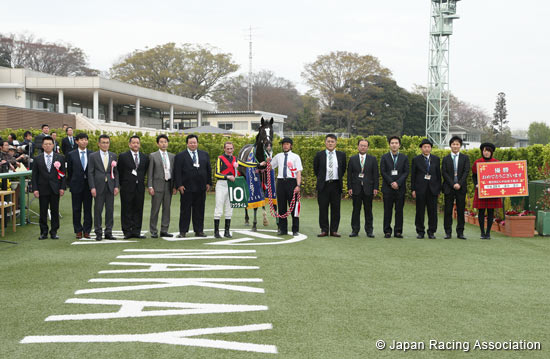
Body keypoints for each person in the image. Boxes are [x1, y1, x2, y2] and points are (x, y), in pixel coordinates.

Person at [174, 134, 212, 238]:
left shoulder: (204, 154)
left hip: (201, 187)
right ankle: (183, 231)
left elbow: (209, 170)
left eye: (194, 142)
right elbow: (177, 172)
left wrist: (209, 183)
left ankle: (199, 230)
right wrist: (179, 185)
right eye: (191, 143)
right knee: (185, 210)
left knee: (199, 210)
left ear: (197, 143)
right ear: (187, 144)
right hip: (186, 188)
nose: (193, 144)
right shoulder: (180, 156)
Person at [31, 136, 66, 239]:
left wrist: (62, 187)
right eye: (45, 144)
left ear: (53, 145)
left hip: (55, 188)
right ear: (42, 145)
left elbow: (63, 174)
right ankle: (43, 232)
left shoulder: (60, 158)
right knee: (43, 211)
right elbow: (34, 176)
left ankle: (54, 231)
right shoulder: (37, 158)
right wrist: (35, 189)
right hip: (42, 188)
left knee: (55, 210)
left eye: (49, 144)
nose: (47, 146)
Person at [313, 134, 347, 237]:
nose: (330, 143)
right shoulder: (319, 155)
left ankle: (334, 230)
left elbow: (343, 169)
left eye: (332, 141)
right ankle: (324, 229)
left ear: (336, 143)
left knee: (336, 209)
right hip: (324, 185)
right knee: (323, 208)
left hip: (336, 185)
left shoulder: (341, 155)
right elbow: (316, 169)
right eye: (328, 141)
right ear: (325, 142)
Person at [88, 134, 119, 241]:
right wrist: (92, 187)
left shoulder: (113, 156)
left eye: (107, 142)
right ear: (99, 144)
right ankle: (98, 232)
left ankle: (108, 232)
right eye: (103, 142)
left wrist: (116, 186)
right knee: (98, 210)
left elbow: (116, 172)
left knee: (110, 210)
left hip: (110, 186)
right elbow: (90, 172)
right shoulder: (93, 156)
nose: (105, 145)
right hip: (98, 186)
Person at [118, 135, 150, 239]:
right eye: (133, 143)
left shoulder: (145, 157)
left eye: (137, 143)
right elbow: (120, 171)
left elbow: (144, 171)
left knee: (138, 209)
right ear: (129, 144)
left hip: (139, 187)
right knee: (126, 209)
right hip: (127, 187)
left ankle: (136, 231)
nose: (135, 144)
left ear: (139, 144)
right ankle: (127, 231)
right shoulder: (123, 156)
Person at [270, 137, 302, 236]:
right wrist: (265, 161)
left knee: (294, 207)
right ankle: (283, 229)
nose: (285, 145)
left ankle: (295, 229)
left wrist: (298, 185)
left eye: (287, 144)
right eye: (284, 144)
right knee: (282, 207)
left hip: (292, 182)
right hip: (280, 183)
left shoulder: (295, 157)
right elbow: (270, 166)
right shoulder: (278, 156)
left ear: (291, 145)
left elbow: (298, 172)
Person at [347, 138, 379, 238]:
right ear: (358, 146)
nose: (363, 147)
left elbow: (376, 175)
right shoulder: (352, 159)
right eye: (361, 145)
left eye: (365, 145)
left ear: (368, 147)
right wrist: (349, 187)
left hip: (368, 189)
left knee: (368, 210)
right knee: (356, 210)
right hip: (356, 188)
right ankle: (355, 230)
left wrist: (375, 187)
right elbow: (349, 175)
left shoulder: (372, 159)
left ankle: (369, 231)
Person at [411, 139, 441, 239]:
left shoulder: (436, 159)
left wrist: (439, 189)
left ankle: (431, 231)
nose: (426, 149)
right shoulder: (416, 159)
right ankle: (420, 231)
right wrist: (413, 189)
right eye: (424, 147)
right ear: (421, 148)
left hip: (433, 189)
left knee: (432, 211)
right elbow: (413, 175)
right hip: (420, 189)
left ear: (431, 148)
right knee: (420, 211)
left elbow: (438, 175)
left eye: (428, 147)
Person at [380, 136, 409, 238]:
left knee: (399, 210)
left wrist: (398, 183)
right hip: (388, 188)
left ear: (399, 145)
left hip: (400, 188)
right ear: (389, 144)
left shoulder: (404, 157)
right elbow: (383, 171)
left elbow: (406, 172)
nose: (394, 145)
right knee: (387, 210)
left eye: (396, 143)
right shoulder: (384, 157)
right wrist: (392, 182)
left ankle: (398, 231)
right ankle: (387, 231)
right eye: (392, 143)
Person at [147, 134, 176, 238]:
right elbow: (150, 172)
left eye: (165, 142)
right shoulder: (153, 156)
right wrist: (150, 186)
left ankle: (164, 230)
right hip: (157, 186)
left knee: (167, 209)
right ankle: (153, 230)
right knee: (155, 209)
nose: (164, 144)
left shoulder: (172, 156)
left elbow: (174, 172)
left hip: (169, 185)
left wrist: (174, 186)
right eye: (161, 142)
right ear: (157, 144)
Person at [442, 136, 470, 239]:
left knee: (461, 210)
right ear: (450, 146)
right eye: (453, 144)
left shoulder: (465, 158)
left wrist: (459, 183)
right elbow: (444, 173)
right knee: (448, 210)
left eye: (457, 144)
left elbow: (466, 172)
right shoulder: (446, 159)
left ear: (460, 146)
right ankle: (448, 232)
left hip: (461, 188)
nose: (455, 146)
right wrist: (453, 184)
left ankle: (460, 232)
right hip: (449, 188)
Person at [66, 133, 93, 239]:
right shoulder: (71, 154)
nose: (84, 141)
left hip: (88, 186)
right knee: (76, 209)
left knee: (88, 209)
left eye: (86, 140)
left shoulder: (91, 154)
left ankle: (87, 231)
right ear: (77, 141)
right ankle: (78, 230)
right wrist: (72, 183)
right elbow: (70, 171)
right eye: (82, 140)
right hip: (76, 185)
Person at [472, 143, 501, 239]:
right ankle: (482, 232)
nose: (486, 153)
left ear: (491, 152)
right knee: (481, 211)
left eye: (488, 151)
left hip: (492, 191)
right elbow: (474, 175)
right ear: (482, 152)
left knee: (490, 212)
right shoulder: (478, 162)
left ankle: (488, 232)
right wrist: (476, 184)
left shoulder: (496, 162)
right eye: (484, 151)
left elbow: (500, 177)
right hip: (481, 190)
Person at [213, 141, 239, 238]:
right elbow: (216, 173)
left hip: (232, 185)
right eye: (227, 149)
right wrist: (227, 177)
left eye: (231, 148)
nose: (229, 150)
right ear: (224, 149)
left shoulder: (235, 159)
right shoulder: (220, 158)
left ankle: (226, 231)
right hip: (222, 184)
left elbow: (243, 168)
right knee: (219, 207)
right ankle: (216, 232)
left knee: (229, 208)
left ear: (233, 149)